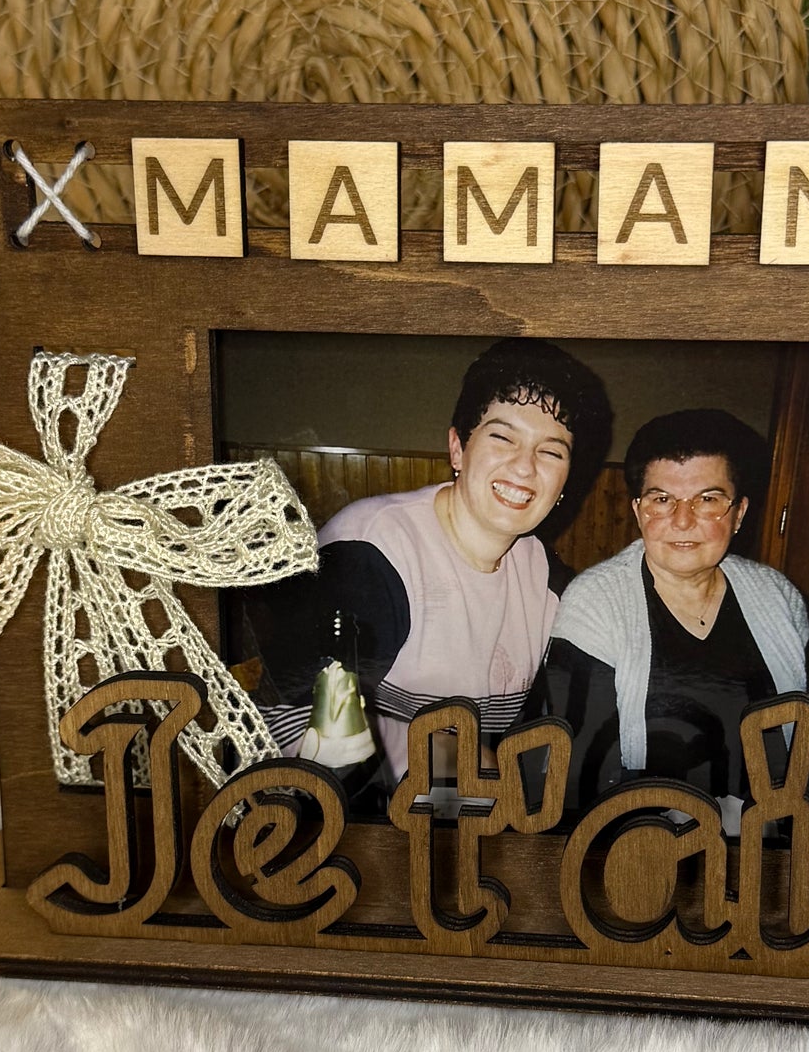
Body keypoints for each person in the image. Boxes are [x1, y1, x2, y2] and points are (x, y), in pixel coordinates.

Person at [251, 339, 612, 798]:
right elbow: (289, 721)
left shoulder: (549, 584)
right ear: (458, 448)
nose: (524, 467)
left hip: (452, 815)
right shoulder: (370, 556)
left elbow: (549, 735)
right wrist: (447, 759)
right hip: (312, 812)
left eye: (551, 452)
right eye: (502, 438)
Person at [529, 406, 809, 831]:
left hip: (774, 838)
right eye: (662, 500)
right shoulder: (596, 603)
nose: (682, 520)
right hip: (640, 839)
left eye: (708, 500)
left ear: (739, 513)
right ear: (639, 511)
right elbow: (581, 770)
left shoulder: (778, 597)